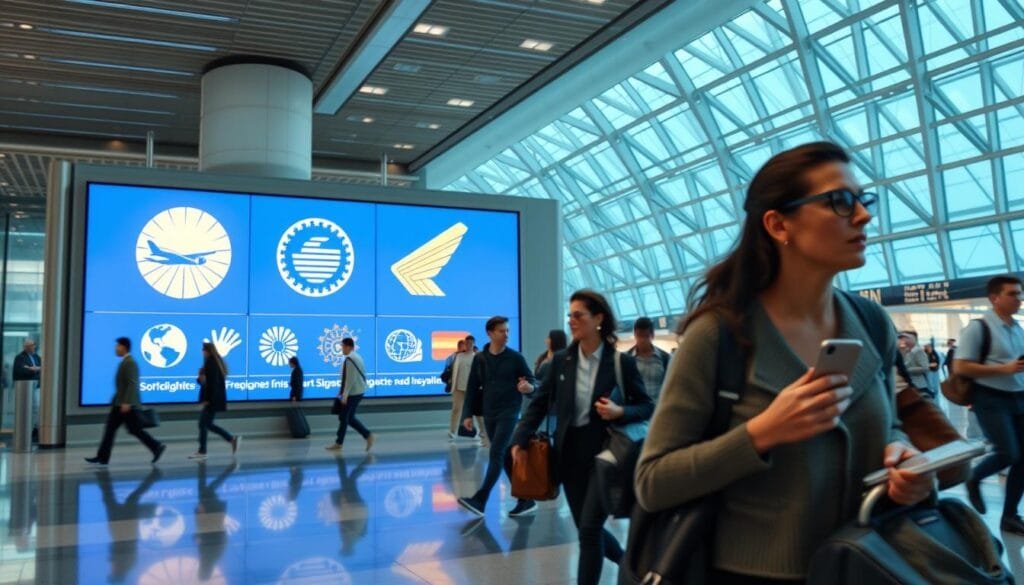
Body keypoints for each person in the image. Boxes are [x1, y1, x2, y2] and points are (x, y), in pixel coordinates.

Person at [634, 142, 934, 584]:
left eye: (863, 200)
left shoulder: (871, 324)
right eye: (839, 201)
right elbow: (653, 480)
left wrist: (904, 457)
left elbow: (889, 424)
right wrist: (761, 433)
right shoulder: (720, 335)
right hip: (751, 574)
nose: (863, 215)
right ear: (778, 224)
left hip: (867, 562)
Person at [513, 289, 653, 585]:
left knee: (589, 530)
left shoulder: (619, 363)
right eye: (570, 315)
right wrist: (520, 439)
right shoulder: (561, 361)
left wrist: (620, 411)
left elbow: (645, 406)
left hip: (604, 458)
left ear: (598, 319)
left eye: (579, 315)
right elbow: (540, 402)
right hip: (568, 458)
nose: (571, 321)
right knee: (586, 528)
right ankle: (629, 563)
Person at [957, 275, 1024, 535]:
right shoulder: (978, 327)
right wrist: (1004, 369)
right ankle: (973, 477)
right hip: (991, 397)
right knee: (1008, 452)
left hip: (1019, 396)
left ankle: (1010, 516)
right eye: (1013, 294)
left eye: (1019, 293)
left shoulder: (1018, 328)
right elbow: (960, 366)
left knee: (1023, 458)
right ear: (994, 298)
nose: (1019, 298)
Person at [457, 316, 538, 518]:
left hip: (509, 412)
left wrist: (529, 387)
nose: (506, 334)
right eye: (502, 331)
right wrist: (466, 415)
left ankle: (480, 499)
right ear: (490, 333)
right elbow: (472, 388)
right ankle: (525, 499)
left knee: (496, 453)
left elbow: (532, 380)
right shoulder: (480, 358)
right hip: (489, 413)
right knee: (503, 458)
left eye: (508, 331)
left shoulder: (515, 358)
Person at [86, 337, 166, 465]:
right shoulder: (125, 362)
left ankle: (156, 446)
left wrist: (127, 402)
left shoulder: (130, 363)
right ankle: (103, 457)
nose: (116, 349)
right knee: (117, 430)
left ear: (124, 347)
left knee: (128, 430)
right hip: (120, 404)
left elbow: (132, 383)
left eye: (118, 346)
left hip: (125, 405)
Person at [96, 467, 161, 583]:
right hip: (123, 528)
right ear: (117, 575)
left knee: (114, 498)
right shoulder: (125, 563)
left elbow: (118, 548)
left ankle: (103, 476)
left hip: (119, 528)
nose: (110, 571)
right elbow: (124, 546)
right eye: (111, 574)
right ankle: (154, 477)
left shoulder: (126, 564)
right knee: (125, 498)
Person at [190, 342, 240, 460]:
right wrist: (200, 377)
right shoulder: (214, 362)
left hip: (212, 400)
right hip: (214, 399)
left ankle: (203, 451)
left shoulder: (211, 363)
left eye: (203, 350)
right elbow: (206, 382)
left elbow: (212, 384)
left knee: (204, 424)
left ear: (207, 351)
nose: (202, 352)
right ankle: (230, 440)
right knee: (206, 424)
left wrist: (208, 399)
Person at [326, 338, 375, 452]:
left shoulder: (350, 359)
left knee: (344, 417)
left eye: (342, 346)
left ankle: (341, 442)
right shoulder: (356, 357)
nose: (341, 348)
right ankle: (366, 436)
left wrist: (345, 395)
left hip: (354, 393)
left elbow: (350, 379)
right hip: (357, 391)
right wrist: (342, 392)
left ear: (348, 346)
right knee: (348, 417)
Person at [195, 461, 236, 581]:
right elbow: (204, 532)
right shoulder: (207, 556)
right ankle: (203, 466)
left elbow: (221, 536)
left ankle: (205, 467)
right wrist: (201, 514)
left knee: (206, 488)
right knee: (204, 489)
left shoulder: (214, 556)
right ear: (202, 570)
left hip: (214, 513)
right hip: (210, 513)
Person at [450, 335, 487, 444]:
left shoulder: (478, 356)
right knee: (456, 409)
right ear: (464, 344)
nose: (469, 345)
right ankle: (452, 430)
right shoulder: (458, 356)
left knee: (478, 412)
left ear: (473, 344)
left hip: (473, 389)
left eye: (471, 343)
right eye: (467, 343)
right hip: (458, 388)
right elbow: (454, 371)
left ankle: (482, 431)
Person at [627, 316, 671, 402]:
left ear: (652, 335)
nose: (642, 340)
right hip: (636, 409)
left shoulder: (664, 358)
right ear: (635, 335)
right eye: (639, 336)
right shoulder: (627, 358)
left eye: (646, 336)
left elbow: (669, 385)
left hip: (658, 407)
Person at [13, 338, 41, 440]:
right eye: (31, 346)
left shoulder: (37, 357)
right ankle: (30, 430)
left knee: (37, 408)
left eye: (33, 345)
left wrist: (34, 369)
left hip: (37, 386)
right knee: (32, 408)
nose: (33, 347)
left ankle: (35, 429)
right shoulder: (20, 357)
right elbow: (21, 371)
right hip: (26, 388)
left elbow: (42, 367)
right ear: (26, 347)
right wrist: (34, 370)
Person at [898, 331, 932, 398]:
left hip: (919, 385)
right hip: (911, 385)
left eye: (905, 338)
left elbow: (925, 368)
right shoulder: (908, 351)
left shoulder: (918, 351)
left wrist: (906, 370)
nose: (902, 340)